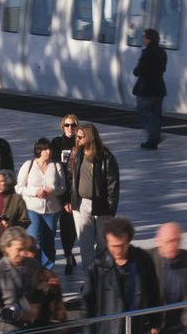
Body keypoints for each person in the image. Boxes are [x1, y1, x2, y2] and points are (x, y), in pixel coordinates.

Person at [69, 122, 120, 272]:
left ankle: (103, 274)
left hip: (101, 205)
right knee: (85, 244)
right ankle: (89, 277)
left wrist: (111, 209)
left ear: (89, 138)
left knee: (103, 243)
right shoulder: (77, 154)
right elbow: (70, 176)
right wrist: (69, 200)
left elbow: (113, 184)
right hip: (81, 204)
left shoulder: (106, 157)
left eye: (80, 137)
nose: (76, 139)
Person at [17, 139, 65, 267]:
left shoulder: (56, 166)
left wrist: (52, 190)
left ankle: (48, 269)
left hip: (52, 210)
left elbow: (63, 188)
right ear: (39, 150)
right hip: (32, 208)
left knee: (49, 240)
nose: (48, 152)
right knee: (34, 239)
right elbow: (19, 188)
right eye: (45, 149)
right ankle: (33, 268)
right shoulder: (29, 165)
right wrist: (35, 191)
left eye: (49, 149)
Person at [49, 112, 81, 275]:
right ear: (63, 126)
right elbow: (54, 167)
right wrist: (63, 198)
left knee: (77, 226)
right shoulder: (56, 143)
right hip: (63, 189)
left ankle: (71, 251)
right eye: (67, 125)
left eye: (73, 125)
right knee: (66, 226)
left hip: (79, 189)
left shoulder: (81, 142)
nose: (70, 128)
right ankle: (68, 255)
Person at [0, 169, 29, 264]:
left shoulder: (17, 199)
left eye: (1, 182)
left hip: (12, 243)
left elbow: (25, 221)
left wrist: (11, 224)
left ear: (8, 182)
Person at [132, 28, 167, 151]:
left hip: (146, 88)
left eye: (144, 37)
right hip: (159, 88)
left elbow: (140, 70)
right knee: (156, 114)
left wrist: (136, 71)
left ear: (148, 39)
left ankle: (154, 136)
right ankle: (154, 139)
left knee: (143, 111)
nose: (143, 39)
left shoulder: (147, 52)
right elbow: (163, 69)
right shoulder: (162, 52)